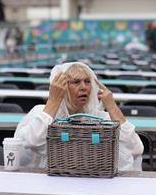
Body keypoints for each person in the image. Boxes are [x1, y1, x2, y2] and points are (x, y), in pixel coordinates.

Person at [14, 62, 144, 171]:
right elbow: (32, 142)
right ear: (61, 87)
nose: (84, 87)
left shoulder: (101, 119)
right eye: (76, 82)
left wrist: (112, 106)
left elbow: (136, 148)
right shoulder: (42, 114)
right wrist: (54, 100)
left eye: (87, 82)